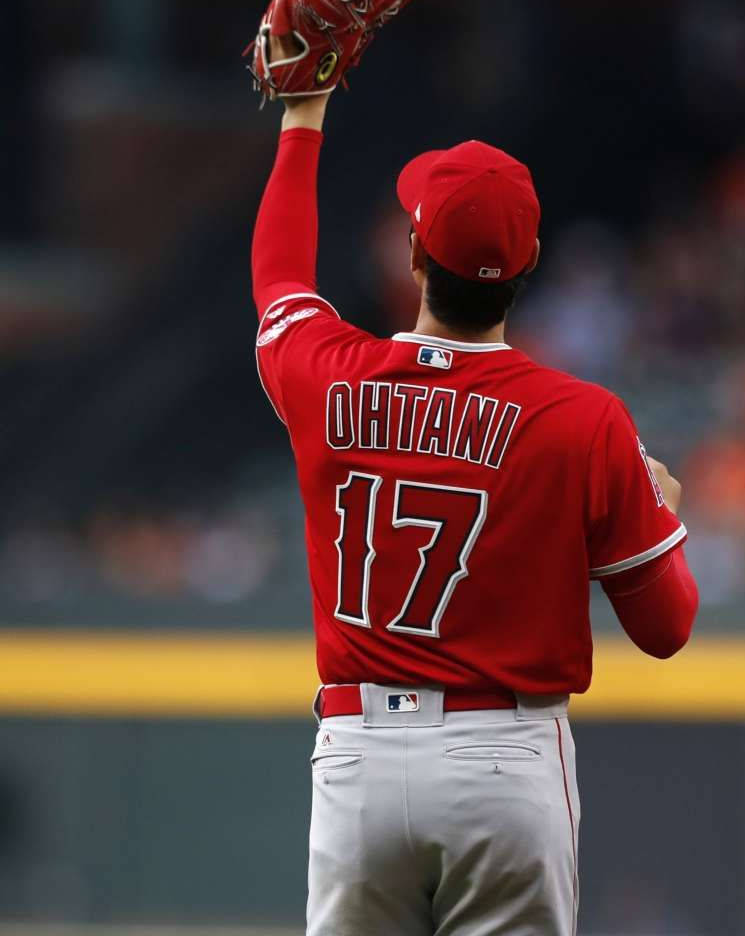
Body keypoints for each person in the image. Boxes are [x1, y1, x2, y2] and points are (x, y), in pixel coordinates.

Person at [251, 55, 699, 935]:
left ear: (414, 253)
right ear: (529, 261)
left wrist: (300, 117)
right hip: (504, 762)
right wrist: (662, 517)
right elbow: (665, 628)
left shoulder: (330, 376)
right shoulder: (582, 419)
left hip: (359, 757)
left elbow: (279, 281)